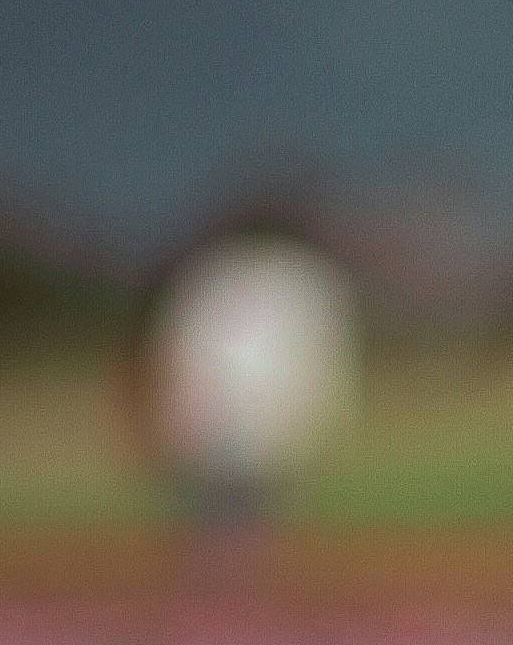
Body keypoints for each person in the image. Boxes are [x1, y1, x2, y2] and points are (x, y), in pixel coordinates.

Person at [142, 229, 357, 545]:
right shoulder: (222, 278)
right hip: (230, 419)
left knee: (248, 512)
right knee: (224, 509)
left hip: (250, 418)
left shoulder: (215, 278)